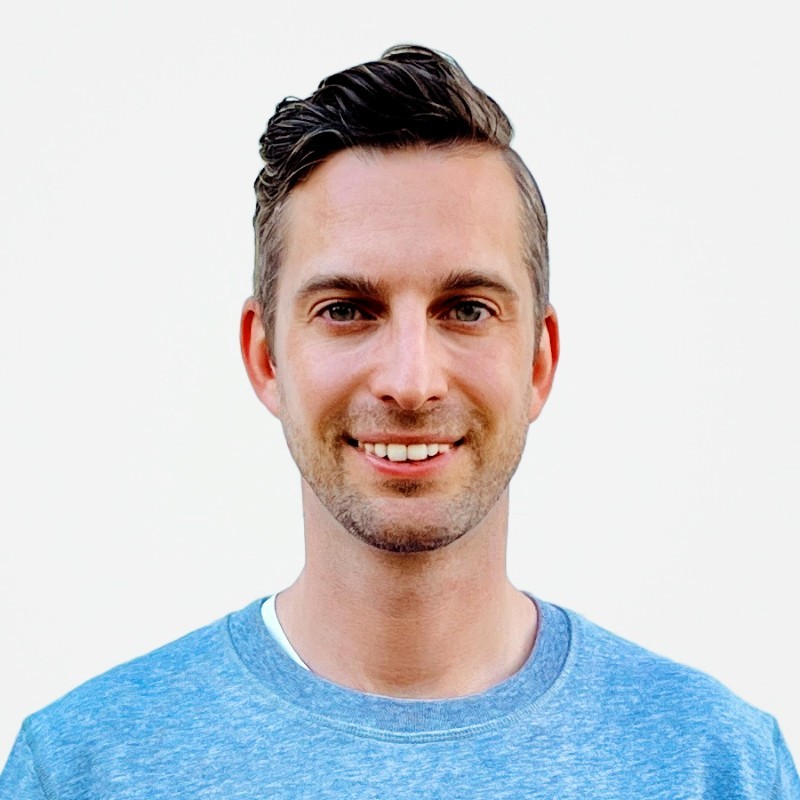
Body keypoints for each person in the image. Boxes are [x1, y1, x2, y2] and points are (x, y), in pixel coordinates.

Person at [1, 44, 797, 799]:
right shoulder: (87, 767)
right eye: (347, 309)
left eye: (467, 309)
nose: (411, 381)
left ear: (538, 361)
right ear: (266, 356)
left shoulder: (715, 764)